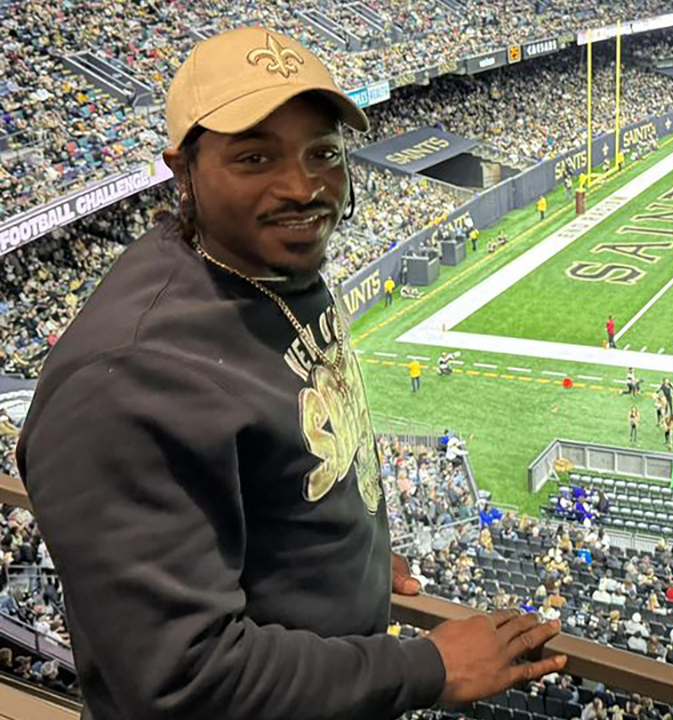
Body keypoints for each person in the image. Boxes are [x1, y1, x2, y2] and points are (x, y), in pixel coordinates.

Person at [15, 27, 566, 720]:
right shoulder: (127, 379)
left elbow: (282, 450)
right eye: (254, 156)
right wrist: (426, 668)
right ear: (181, 171)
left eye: (324, 153)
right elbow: (180, 683)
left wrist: (350, 554)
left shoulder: (268, 263)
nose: (304, 186)